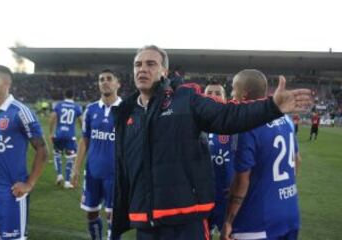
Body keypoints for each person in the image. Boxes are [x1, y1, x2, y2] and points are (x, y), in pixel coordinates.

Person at [111, 45, 311, 240]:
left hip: (186, 222)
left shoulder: (185, 99)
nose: (142, 69)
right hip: (145, 223)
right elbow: (124, 170)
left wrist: (272, 106)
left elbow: (229, 115)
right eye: (138, 65)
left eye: (151, 64)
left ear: (164, 71)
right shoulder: (126, 113)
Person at [221, 69, 302, 240]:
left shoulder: (246, 124)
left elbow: (242, 180)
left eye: (233, 90)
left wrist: (228, 221)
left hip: (257, 221)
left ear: (243, 95)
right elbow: (297, 160)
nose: (231, 94)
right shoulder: (285, 118)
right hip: (289, 212)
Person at [0, 64, 48, 239]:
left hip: (11, 192)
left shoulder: (20, 112)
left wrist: (29, 184)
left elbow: (42, 149)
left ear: (6, 83)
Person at [71, 69, 122, 240]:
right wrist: (76, 169)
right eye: (101, 79)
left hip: (115, 174)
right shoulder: (91, 109)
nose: (105, 82)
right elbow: (84, 140)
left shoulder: (126, 109)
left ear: (117, 84)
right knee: (91, 213)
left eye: (109, 79)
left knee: (113, 217)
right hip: (92, 172)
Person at [204, 81, 235, 238]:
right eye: (209, 93)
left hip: (227, 195)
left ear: (225, 98)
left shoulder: (234, 124)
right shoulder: (195, 124)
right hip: (203, 195)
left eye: (218, 93)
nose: (213, 96)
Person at [49, 89, 82, 189]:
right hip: (70, 136)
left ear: (64, 95)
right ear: (73, 96)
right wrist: (83, 131)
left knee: (57, 154)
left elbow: (52, 117)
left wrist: (51, 132)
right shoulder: (77, 106)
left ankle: (59, 175)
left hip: (58, 135)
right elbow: (81, 120)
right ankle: (67, 182)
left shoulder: (59, 105)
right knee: (70, 157)